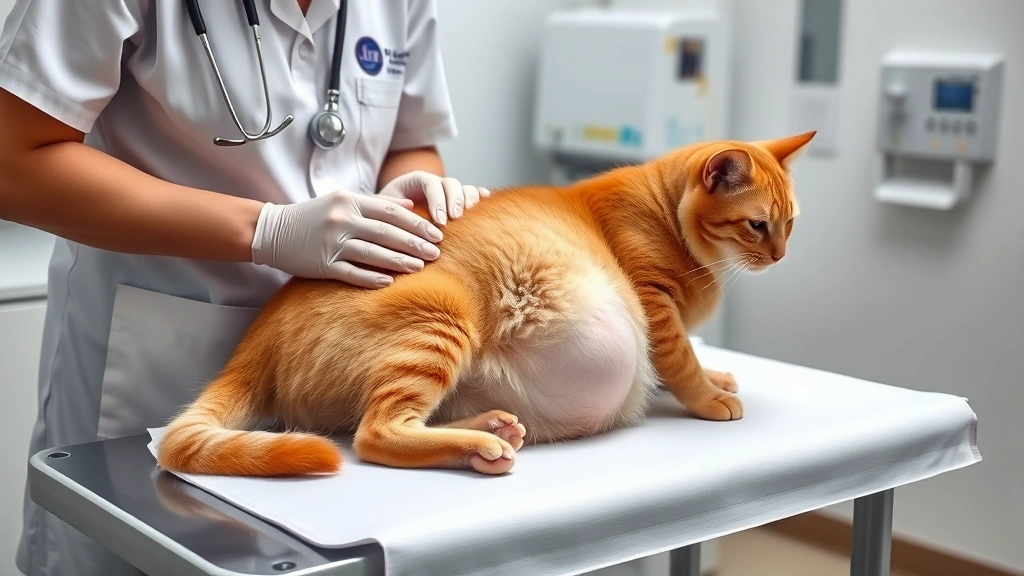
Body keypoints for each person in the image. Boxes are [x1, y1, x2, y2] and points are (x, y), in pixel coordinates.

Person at [0, 1, 486, 574]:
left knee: (322, 553)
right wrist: (269, 230)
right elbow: (15, 162)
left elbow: (410, 137)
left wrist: (408, 202)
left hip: (338, 361)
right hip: (158, 363)